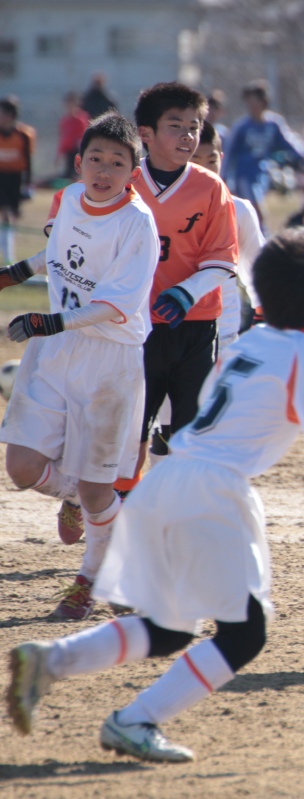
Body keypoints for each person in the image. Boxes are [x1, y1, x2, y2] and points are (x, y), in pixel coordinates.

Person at [5, 226, 304, 764]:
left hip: (167, 481)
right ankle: (134, 720)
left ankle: (49, 661)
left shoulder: (250, 343)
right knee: (245, 634)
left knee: (169, 628)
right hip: (211, 491)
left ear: (263, 297)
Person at [0, 113, 158, 619]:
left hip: (109, 363)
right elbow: (61, 251)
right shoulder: (70, 198)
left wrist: (48, 321)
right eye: (96, 159)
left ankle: (89, 581)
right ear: (78, 163)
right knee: (22, 468)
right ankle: (84, 501)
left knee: (97, 491)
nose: (104, 170)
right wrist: (15, 272)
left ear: (134, 172)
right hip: (56, 351)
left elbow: (114, 306)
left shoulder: (137, 225)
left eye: (117, 163)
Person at [124, 82, 239, 503]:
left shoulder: (211, 188)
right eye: (176, 126)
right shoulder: (123, 182)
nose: (188, 135)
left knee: (190, 434)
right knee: (130, 434)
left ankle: (179, 516)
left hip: (196, 327)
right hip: (135, 328)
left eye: (194, 126)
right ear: (146, 133)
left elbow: (223, 259)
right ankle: (106, 509)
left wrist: (185, 293)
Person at [191, 121, 264, 351]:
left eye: (211, 161)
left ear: (221, 159)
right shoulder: (155, 209)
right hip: (167, 329)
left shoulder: (239, 210)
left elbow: (257, 271)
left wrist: (262, 318)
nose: (205, 170)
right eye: (195, 161)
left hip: (223, 333)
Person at [221, 80, 304, 224]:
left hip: (262, 174)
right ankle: (262, 236)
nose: (252, 106)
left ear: (264, 102)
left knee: (253, 213)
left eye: (255, 102)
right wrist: (223, 177)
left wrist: (302, 157)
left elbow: (288, 142)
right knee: (255, 210)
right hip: (244, 175)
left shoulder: (273, 124)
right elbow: (229, 154)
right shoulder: (242, 127)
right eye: (249, 103)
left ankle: (258, 235)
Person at [0, 96, 36, 264]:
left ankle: (8, 254)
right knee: (5, 212)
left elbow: (28, 160)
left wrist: (28, 184)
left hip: (14, 178)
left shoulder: (23, 135)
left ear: (11, 115)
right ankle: (7, 255)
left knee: (11, 214)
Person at [57, 92, 90, 180]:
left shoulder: (81, 119)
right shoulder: (65, 120)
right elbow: (63, 138)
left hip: (77, 150)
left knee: (75, 173)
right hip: (68, 151)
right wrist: (59, 154)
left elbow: (83, 135)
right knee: (67, 174)